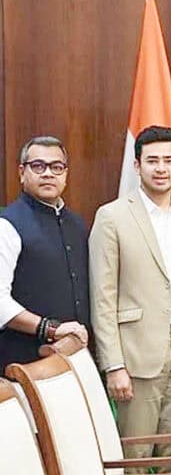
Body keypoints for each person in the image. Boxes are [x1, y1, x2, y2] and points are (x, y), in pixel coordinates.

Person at [89, 126, 171, 469]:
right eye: (152, 160)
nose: (161, 168)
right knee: (135, 456)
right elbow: (102, 297)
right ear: (137, 165)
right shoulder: (112, 216)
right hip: (136, 353)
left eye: (169, 160)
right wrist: (114, 365)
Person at [0, 136, 89, 373]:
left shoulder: (78, 225)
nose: (48, 173)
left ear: (65, 174)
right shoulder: (7, 225)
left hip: (75, 360)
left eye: (56, 167)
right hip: (22, 364)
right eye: (38, 166)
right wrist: (50, 329)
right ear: (22, 173)